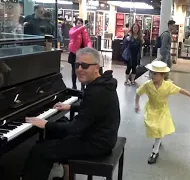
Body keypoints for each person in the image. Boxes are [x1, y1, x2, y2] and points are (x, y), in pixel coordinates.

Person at [21, 47, 120, 180]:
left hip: (97, 144)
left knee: (40, 151)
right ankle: (67, 174)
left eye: (85, 66)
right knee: (58, 125)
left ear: (97, 67)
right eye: (77, 65)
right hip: (102, 135)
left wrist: (46, 124)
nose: (79, 69)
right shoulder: (103, 83)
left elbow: (76, 128)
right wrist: (71, 107)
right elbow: (93, 109)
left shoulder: (96, 92)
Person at [135, 61, 190, 164]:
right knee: (153, 127)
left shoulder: (168, 86)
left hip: (162, 110)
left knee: (159, 128)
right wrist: (137, 104)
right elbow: (138, 93)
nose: (152, 75)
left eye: (155, 73)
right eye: (151, 72)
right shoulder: (147, 85)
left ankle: (155, 152)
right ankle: (158, 142)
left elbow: (180, 90)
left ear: (162, 75)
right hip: (151, 109)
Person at [68, 18, 92, 90]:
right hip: (74, 53)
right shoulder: (72, 30)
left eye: (81, 23)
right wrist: (83, 28)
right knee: (74, 70)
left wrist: (89, 48)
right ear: (75, 24)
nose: (80, 24)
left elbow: (88, 41)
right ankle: (74, 85)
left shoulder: (84, 32)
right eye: (78, 23)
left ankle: (82, 86)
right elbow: (72, 35)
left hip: (82, 54)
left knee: (83, 70)